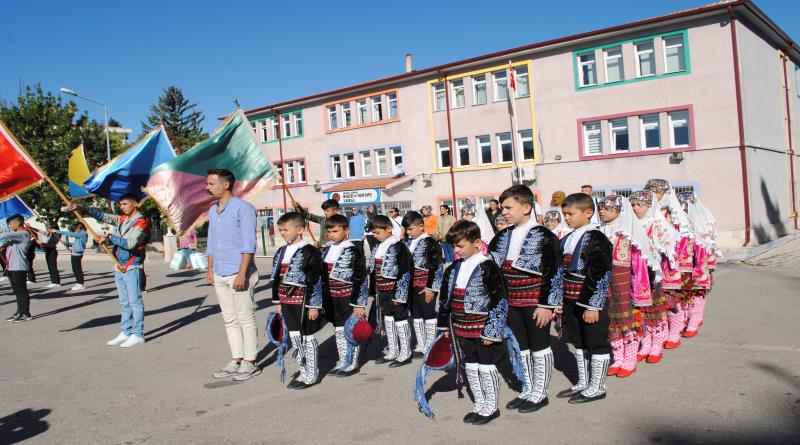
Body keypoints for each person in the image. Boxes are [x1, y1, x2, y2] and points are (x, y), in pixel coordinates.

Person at [488, 184, 560, 413]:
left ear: (527, 207)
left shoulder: (544, 236)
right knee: (522, 347)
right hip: (511, 301)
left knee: (539, 346)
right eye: (502, 208)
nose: (504, 212)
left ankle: (541, 393)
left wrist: (547, 304)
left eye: (508, 207)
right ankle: (528, 388)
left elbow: (554, 271)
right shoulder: (501, 237)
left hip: (535, 301)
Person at [438, 220, 508, 425]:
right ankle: (479, 403)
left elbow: (500, 299)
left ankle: (491, 407)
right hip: (460, 325)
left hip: (482, 326)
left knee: (486, 365)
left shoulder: (488, 266)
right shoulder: (453, 268)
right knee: (470, 365)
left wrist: (492, 331)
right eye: (454, 246)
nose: (456, 250)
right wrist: (445, 326)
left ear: (477, 242)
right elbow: (445, 298)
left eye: (460, 246)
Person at [553, 192, 613, 404]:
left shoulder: (597, 238)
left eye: (570, 213)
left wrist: (593, 306)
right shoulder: (567, 238)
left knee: (596, 342)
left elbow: (600, 273)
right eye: (564, 214)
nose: (566, 218)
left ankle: (598, 387)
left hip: (588, 300)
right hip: (569, 298)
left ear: (588, 213)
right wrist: (557, 301)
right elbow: (559, 272)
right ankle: (583, 382)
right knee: (578, 341)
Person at [69, 194, 150, 348]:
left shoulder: (141, 222)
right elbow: (103, 216)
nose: (122, 207)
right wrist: (83, 208)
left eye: (125, 204)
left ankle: (138, 334)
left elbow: (131, 243)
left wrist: (110, 238)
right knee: (124, 302)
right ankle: (125, 331)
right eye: (121, 204)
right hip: (119, 265)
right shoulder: (122, 219)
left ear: (135, 204)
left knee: (135, 302)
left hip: (131, 265)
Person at [205, 169, 261, 381]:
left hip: (239, 272)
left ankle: (250, 361)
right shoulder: (213, 210)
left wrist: (242, 273)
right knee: (229, 319)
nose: (207, 187)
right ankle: (236, 358)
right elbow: (211, 242)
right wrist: (210, 269)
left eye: (211, 183)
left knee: (245, 317)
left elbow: (249, 244)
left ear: (225, 184)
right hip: (220, 270)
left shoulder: (244, 208)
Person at [598, 196, 661, 378]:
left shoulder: (628, 233)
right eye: (600, 207)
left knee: (626, 320)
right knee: (611, 320)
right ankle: (617, 358)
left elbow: (641, 262)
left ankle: (630, 359)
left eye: (607, 208)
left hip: (624, 282)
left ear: (619, 210)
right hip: (606, 282)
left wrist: (639, 287)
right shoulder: (600, 230)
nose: (602, 211)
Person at [270, 212, 324, 389]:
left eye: (285, 229)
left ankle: (312, 374)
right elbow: (276, 278)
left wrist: (314, 306)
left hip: (303, 301)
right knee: (294, 337)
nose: (282, 233)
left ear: (300, 229)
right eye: (280, 230)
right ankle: (303, 370)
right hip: (286, 301)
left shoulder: (311, 252)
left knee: (307, 336)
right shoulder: (281, 251)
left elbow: (316, 280)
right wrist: (277, 301)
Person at [630, 190, 678, 364]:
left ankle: (656, 344)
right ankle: (645, 343)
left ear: (650, 206)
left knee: (655, 310)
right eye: (633, 205)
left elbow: (668, 243)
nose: (635, 208)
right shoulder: (632, 224)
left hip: (652, 273)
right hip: (635, 273)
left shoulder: (657, 223)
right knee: (641, 311)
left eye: (639, 205)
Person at [645, 179, 693, 350]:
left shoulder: (675, 215)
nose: (654, 195)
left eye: (657, 191)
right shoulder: (647, 214)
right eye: (650, 191)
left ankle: (675, 330)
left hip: (671, 262)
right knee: (656, 300)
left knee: (673, 297)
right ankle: (660, 332)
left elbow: (683, 239)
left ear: (666, 194)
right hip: (651, 262)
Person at [321, 213, 368, 377]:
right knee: (339, 329)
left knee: (350, 329)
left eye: (335, 231)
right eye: (330, 232)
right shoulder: (327, 249)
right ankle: (343, 361)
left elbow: (361, 278)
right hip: (333, 297)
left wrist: (359, 303)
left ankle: (352, 363)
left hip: (348, 297)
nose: (332, 235)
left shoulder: (353, 250)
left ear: (346, 230)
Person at [368, 215, 414, 367]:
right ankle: (393, 351)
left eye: (377, 233)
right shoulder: (377, 247)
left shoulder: (399, 246)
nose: (375, 236)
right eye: (373, 233)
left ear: (388, 229)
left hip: (395, 291)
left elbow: (406, 271)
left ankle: (405, 353)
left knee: (400, 320)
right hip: (382, 290)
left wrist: (400, 295)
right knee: (388, 319)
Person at [677, 191, 720, 337]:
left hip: (700, 258)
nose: (684, 209)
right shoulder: (678, 219)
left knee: (698, 289)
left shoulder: (705, 216)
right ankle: (685, 318)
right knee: (684, 290)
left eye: (686, 206)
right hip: (683, 260)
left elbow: (710, 237)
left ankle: (695, 319)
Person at [401, 210, 443, 357]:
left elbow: (437, 266)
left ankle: (430, 345)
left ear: (421, 226)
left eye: (411, 229)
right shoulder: (408, 242)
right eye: (407, 229)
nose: (408, 232)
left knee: (428, 313)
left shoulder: (430, 242)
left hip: (426, 284)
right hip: (411, 284)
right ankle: (421, 344)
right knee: (416, 314)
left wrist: (431, 288)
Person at [2, 214, 34, 322]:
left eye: (11, 223)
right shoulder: (15, 236)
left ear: (18, 222)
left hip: (19, 267)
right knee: (17, 291)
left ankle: (26, 313)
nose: (10, 225)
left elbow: (4, 235)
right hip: (12, 267)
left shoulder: (24, 234)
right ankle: (19, 312)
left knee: (21, 291)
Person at [56, 223, 89, 291]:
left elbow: (71, 234)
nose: (75, 230)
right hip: (74, 253)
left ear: (79, 228)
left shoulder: (83, 233)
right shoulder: (79, 235)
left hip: (77, 254)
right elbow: (77, 243)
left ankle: (81, 284)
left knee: (78, 269)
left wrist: (57, 231)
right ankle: (78, 282)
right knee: (74, 269)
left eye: (76, 229)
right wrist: (67, 244)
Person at [39, 222, 61, 288]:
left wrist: (42, 244)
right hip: (48, 251)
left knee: (53, 267)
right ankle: (53, 281)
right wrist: (29, 227)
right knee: (50, 267)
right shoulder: (50, 234)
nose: (48, 229)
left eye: (49, 227)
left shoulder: (57, 234)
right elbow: (39, 231)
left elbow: (51, 244)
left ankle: (56, 282)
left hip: (52, 252)